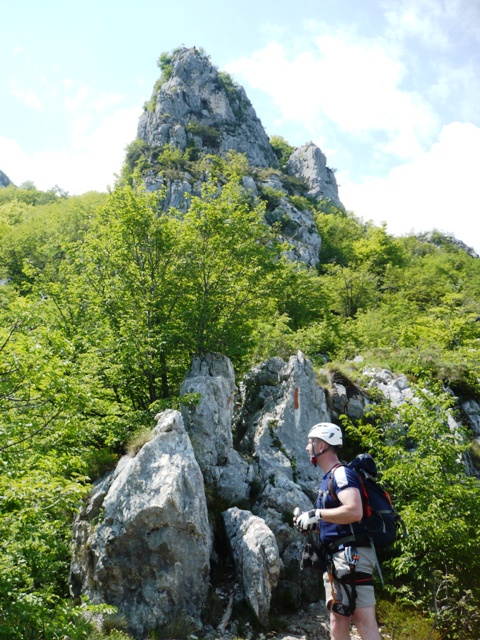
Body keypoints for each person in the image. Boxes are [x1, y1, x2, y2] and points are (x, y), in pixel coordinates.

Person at [294, 422, 383, 640]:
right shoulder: (328, 479)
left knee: (363, 621)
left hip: (352, 558)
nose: (307, 447)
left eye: (310, 442)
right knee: (337, 621)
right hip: (338, 559)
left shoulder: (341, 474)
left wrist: (317, 514)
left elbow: (354, 511)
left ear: (322, 445)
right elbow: (339, 520)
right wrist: (312, 523)